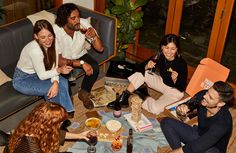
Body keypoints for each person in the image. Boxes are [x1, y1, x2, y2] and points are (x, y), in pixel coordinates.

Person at [107, 34, 188, 115]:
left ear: (177, 49)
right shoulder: (159, 56)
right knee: (143, 72)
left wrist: (175, 80)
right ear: (162, 47)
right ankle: (124, 97)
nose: (169, 52)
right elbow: (138, 68)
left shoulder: (181, 64)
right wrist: (146, 66)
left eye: (173, 49)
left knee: (155, 109)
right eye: (167, 48)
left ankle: (144, 95)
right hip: (162, 83)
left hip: (175, 91)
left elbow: (182, 88)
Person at [12, 19, 74, 115]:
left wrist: (55, 82)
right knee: (52, 90)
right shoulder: (35, 50)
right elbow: (43, 75)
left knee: (62, 82)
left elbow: (53, 66)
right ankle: (55, 117)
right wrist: (59, 71)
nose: (48, 40)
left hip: (41, 73)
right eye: (43, 37)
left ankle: (64, 112)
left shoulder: (55, 43)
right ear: (36, 36)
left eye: (50, 35)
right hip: (23, 79)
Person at [53, 3, 104, 110]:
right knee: (63, 75)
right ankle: (68, 98)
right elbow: (59, 60)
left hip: (79, 53)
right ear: (64, 20)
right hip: (62, 58)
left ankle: (84, 91)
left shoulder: (83, 24)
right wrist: (82, 63)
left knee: (94, 66)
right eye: (73, 18)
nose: (78, 21)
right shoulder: (55, 31)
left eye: (78, 17)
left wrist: (94, 36)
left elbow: (100, 49)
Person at [160, 81, 234, 153]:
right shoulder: (203, 95)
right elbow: (189, 104)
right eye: (208, 92)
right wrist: (182, 108)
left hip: (212, 148)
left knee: (198, 149)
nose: (205, 96)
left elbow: (196, 147)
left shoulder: (223, 124)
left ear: (220, 104)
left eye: (210, 97)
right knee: (166, 122)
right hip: (199, 135)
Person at [4, 102, 94, 153]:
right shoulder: (33, 149)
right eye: (61, 122)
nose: (62, 124)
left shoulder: (32, 123)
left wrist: (80, 136)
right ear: (50, 125)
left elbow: (58, 134)